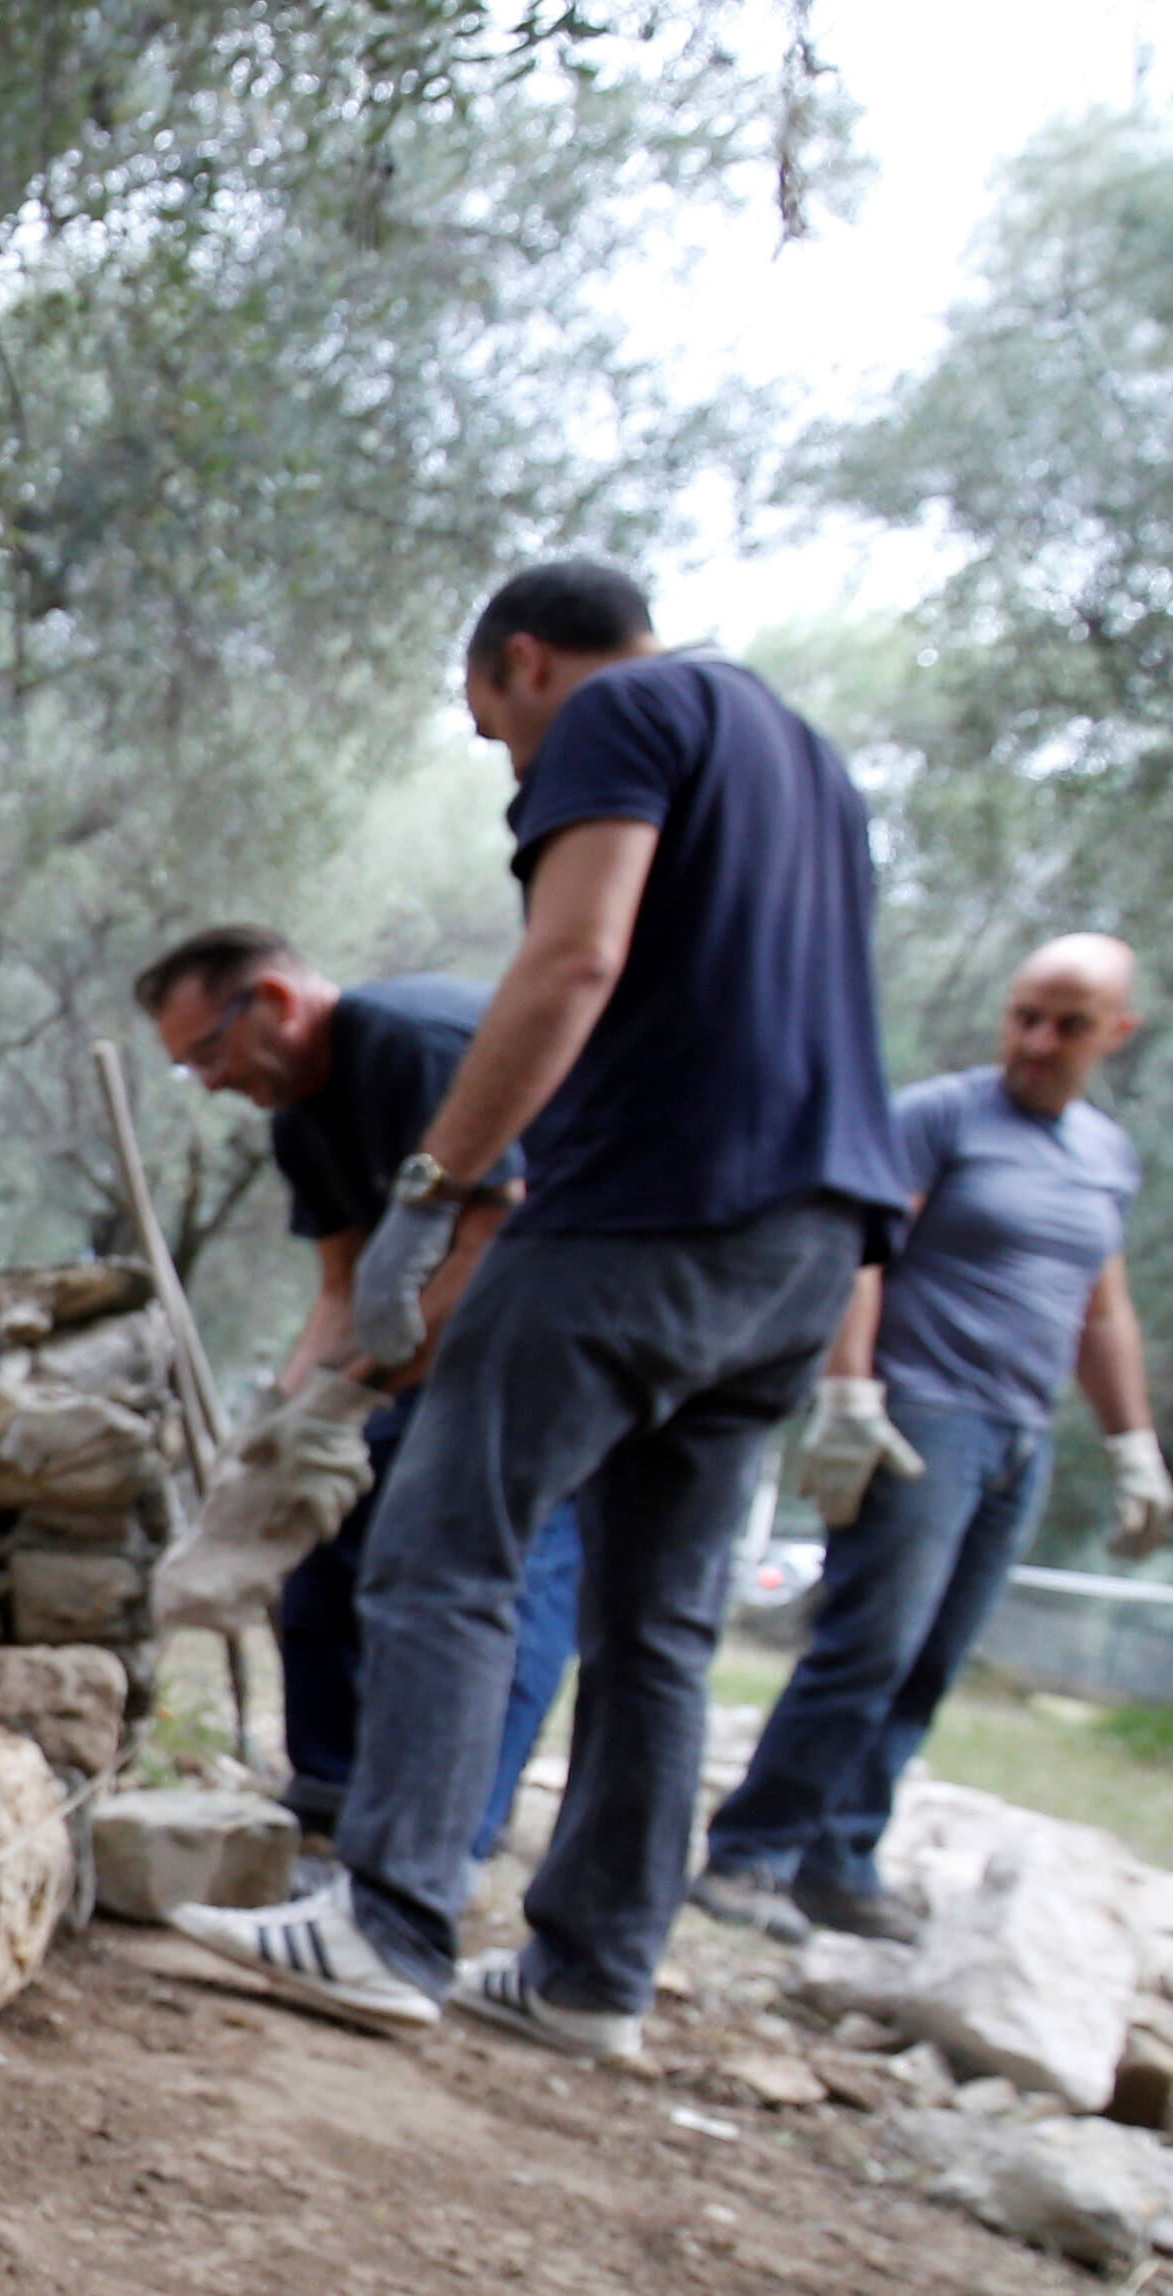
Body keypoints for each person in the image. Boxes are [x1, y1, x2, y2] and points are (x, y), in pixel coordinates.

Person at [170, 560, 911, 2058]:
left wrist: (436, 1185)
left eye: (495, 731)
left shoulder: (623, 704)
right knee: (661, 1621)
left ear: (523, 662)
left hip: (648, 1203)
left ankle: (385, 1917)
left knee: (444, 1536)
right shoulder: (807, 756)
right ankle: (592, 1972)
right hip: (811, 1238)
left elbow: (574, 953)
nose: (511, 760)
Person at [698, 938, 1168, 1941]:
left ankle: (838, 1859)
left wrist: (1133, 1443)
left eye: (1067, 1024)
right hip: (921, 1410)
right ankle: (750, 1853)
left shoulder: (1104, 1156)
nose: (1035, 1042)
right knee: (867, 1643)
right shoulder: (937, 1117)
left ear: (1115, 1033)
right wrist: (849, 1392)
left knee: (931, 1659)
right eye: (1022, 1015)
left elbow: (1100, 1309)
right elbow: (858, 1256)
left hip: (1018, 1431)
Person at [132, 927, 580, 1860]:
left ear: (276, 1002)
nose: (209, 1083)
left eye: (207, 1052)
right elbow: (340, 1290)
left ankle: (444, 1842)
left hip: (557, 1316)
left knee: (483, 1570)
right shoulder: (298, 1119)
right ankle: (330, 1799)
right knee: (321, 1531)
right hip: (438, 1332)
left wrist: (345, 1400)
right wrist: (275, 1427)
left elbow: (488, 1240)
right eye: (188, 1068)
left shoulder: (408, 1046)